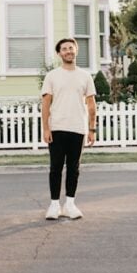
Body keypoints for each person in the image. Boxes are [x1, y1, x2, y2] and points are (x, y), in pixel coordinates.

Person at [41, 38, 96, 220]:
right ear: (59, 54)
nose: (68, 51)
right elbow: (46, 103)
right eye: (64, 49)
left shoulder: (85, 76)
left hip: (77, 128)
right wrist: (46, 128)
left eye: (71, 48)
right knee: (55, 167)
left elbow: (91, 104)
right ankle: (54, 205)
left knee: (74, 168)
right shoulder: (52, 76)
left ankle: (70, 205)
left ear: (76, 51)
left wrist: (92, 129)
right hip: (57, 127)